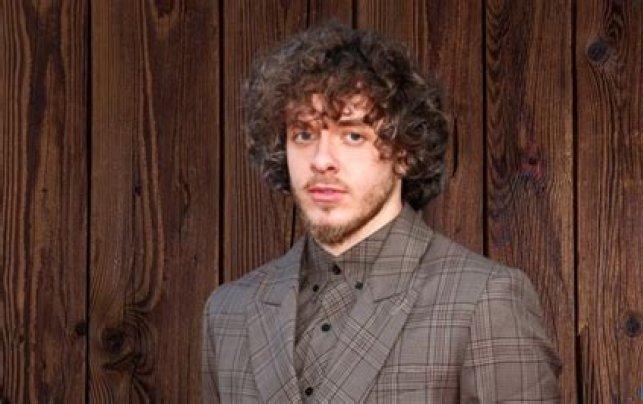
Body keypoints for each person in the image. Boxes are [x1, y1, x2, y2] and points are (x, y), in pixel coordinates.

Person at [202, 22, 562, 403]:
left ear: (404, 152)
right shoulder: (227, 313)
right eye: (304, 134)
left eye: (353, 135)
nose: (321, 160)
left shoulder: (485, 300)